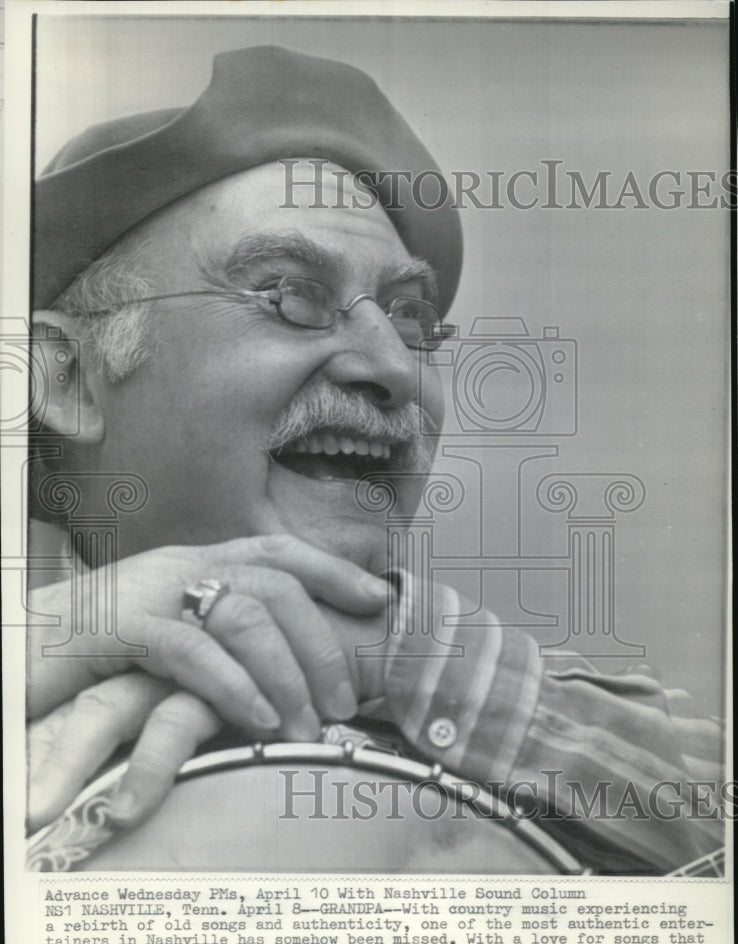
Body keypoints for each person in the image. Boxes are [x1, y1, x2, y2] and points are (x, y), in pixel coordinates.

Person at [26, 46, 723, 873]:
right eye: (290, 295)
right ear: (68, 377)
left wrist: (393, 653)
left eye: (412, 319)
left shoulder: (472, 687)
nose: (395, 368)